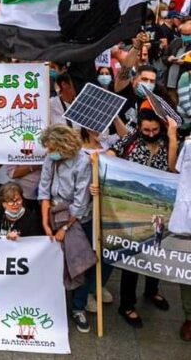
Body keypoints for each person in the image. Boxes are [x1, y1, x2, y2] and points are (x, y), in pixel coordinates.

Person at [107, 109, 179, 327]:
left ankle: (152, 291)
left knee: (156, 251)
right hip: (132, 210)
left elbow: (173, 167)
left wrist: (173, 137)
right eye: (146, 130)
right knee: (132, 255)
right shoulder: (130, 140)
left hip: (159, 209)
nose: (150, 134)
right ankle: (127, 304)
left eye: (155, 130)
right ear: (139, 127)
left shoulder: (168, 142)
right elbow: (111, 154)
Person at [37, 124, 97, 334]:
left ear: (63, 146)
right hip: (54, 215)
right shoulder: (50, 160)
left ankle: (78, 307)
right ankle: (54, 305)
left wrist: (65, 228)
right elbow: (44, 191)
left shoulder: (83, 162)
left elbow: (80, 201)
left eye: (51, 148)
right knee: (54, 263)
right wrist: (45, 223)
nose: (48, 152)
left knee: (79, 263)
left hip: (78, 219)